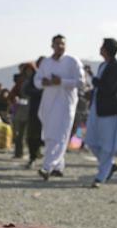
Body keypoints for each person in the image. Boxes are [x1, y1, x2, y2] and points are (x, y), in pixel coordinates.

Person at [33, 35, 84, 179]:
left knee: (60, 136)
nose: (60, 46)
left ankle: (47, 167)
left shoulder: (73, 61)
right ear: (52, 45)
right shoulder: (46, 63)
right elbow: (36, 81)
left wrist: (61, 81)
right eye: (57, 43)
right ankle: (58, 167)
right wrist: (44, 82)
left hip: (65, 104)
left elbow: (80, 82)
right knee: (50, 136)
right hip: (48, 103)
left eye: (62, 43)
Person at [85, 38, 117, 187]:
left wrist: (94, 80)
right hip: (97, 109)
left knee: (107, 146)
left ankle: (101, 177)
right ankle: (110, 165)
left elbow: (108, 87)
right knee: (91, 141)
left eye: (102, 46)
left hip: (110, 111)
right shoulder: (103, 65)